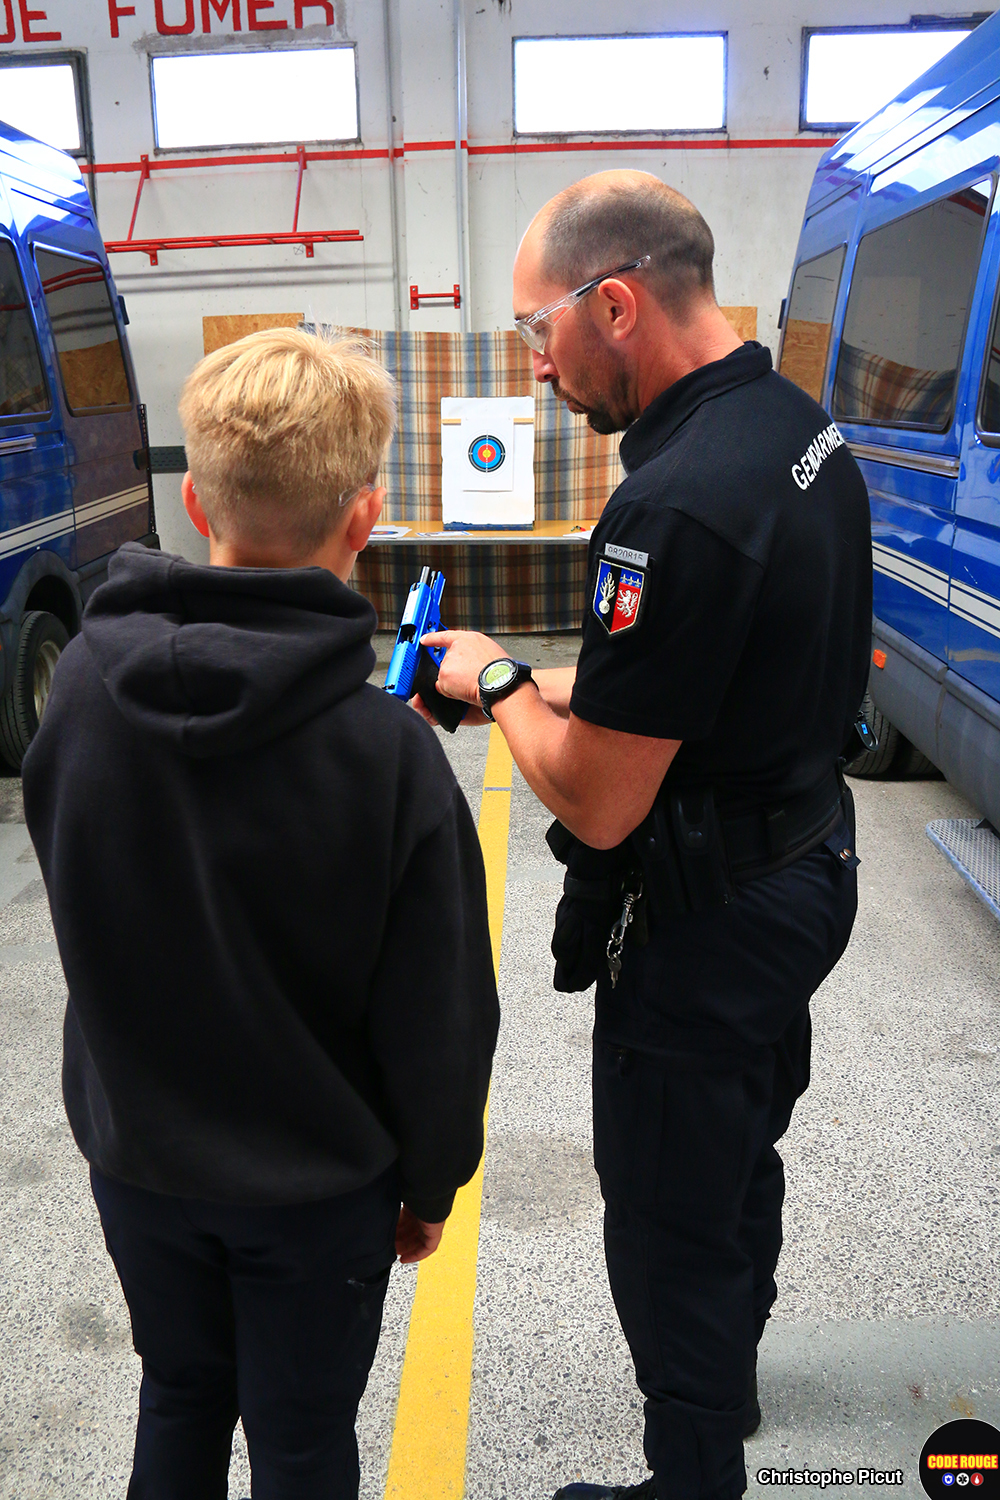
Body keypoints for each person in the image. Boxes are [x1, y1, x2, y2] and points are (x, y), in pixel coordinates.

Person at [421, 171, 872, 1500]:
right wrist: (539, 689)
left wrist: (503, 684)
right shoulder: (796, 428)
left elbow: (607, 798)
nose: (537, 363)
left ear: (611, 303)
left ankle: (692, 1476)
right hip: (803, 856)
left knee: (670, 1222)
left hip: (711, 915)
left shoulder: (670, 505)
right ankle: (729, 1378)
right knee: (739, 1150)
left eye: (534, 330)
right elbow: (704, 681)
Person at [22, 328, 499, 1500]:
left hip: (139, 1161)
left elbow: (76, 891)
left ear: (194, 500)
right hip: (316, 1188)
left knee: (178, 1398)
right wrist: (430, 1180)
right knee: (299, 1437)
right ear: (363, 518)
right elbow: (439, 1011)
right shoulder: (387, 756)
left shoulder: (79, 690)